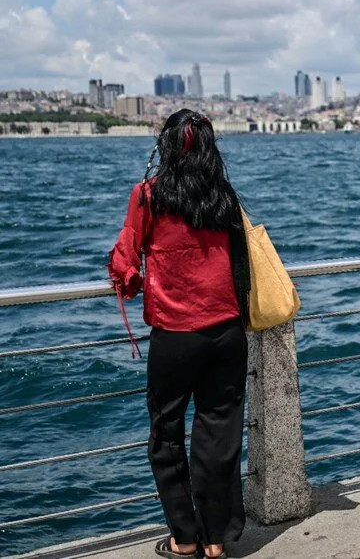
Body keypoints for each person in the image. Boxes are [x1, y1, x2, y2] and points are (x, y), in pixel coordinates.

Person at [108, 109, 250, 559]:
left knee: (166, 436)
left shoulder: (148, 195)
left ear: (166, 147)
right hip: (228, 332)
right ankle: (215, 541)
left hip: (175, 335)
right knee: (219, 436)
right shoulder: (223, 196)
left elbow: (124, 264)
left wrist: (131, 278)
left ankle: (183, 539)